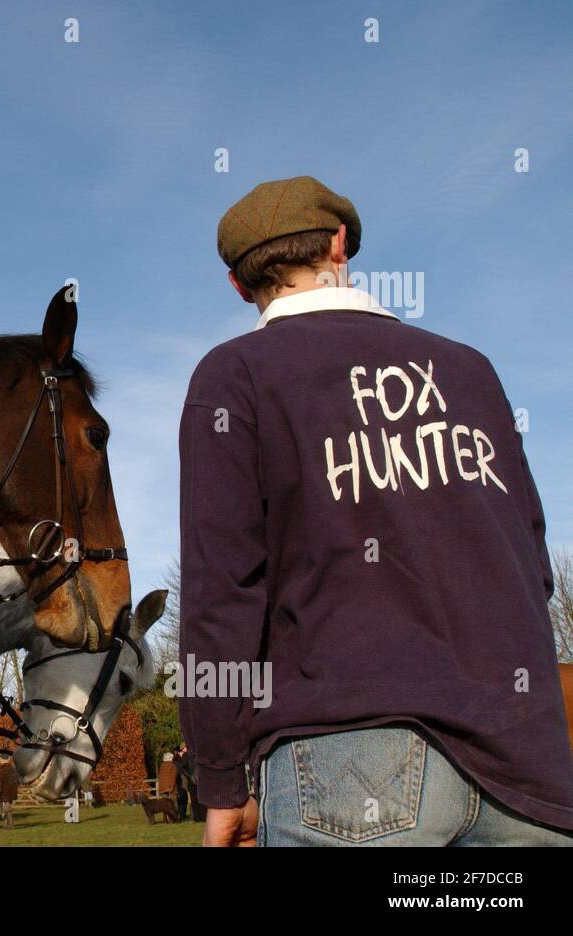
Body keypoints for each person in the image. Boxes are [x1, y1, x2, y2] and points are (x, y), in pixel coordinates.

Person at [181, 176, 573, 846]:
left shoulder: (236, 374)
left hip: (349, 761)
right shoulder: (471, 370)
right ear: (339, 244)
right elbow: (534, 566)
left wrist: (221, 778)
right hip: (529, 771)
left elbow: (224, 594)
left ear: (238, 285)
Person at [0, 754, 19, 828]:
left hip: (5, 792)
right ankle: (6, 824)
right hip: (12, 791)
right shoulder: (13, 770)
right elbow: (17, 781)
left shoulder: (1, 772)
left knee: (7, 809)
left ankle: (11, 824)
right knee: (7, 808)